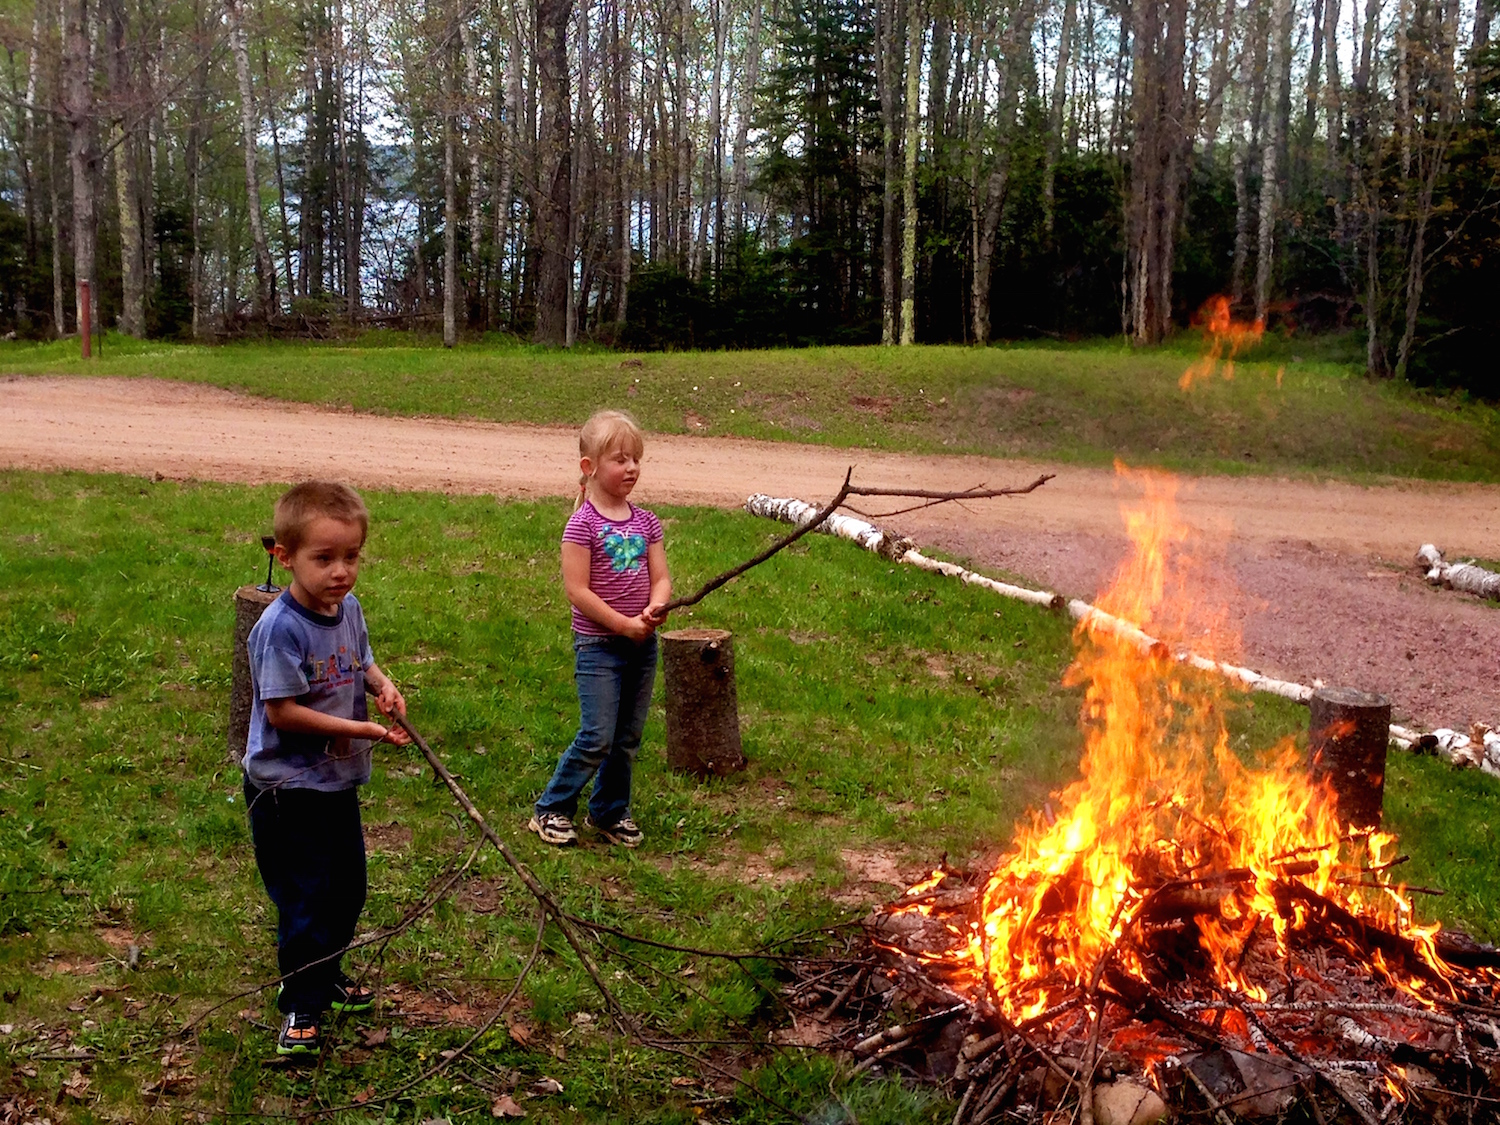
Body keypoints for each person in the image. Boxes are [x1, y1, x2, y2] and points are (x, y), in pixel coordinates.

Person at [243, 481, 410, 1056]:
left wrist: (383, 685)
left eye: (352, 557)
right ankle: (300, 1006)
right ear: (284, 556)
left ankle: (326, 976)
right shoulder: (279, 629)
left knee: (348, 891)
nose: (341, 572)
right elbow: (282, 713)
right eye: (324, 558)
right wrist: (358, 731)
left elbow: (361, 660)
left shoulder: (348, 609)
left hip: (335, 781)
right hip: (288, 788)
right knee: (307, 896)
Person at [530, 410, 672, 849]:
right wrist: (622, 625)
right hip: (599, 647)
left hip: (641, 646)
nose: (631, 468)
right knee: (597, 735)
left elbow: (661, 577)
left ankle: (609, 811)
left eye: (636, 459)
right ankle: (551, 808)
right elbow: (578, 592)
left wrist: (655, 606)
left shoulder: (646, 521)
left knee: (627, 737)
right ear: (589, 467)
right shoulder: (582, 525)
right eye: (620, 460)